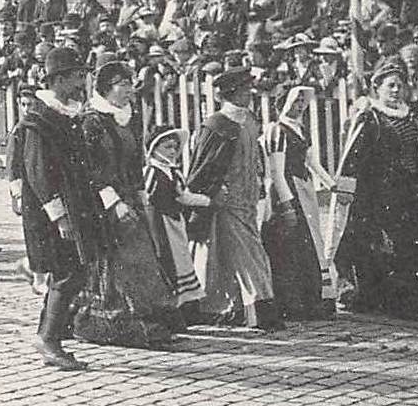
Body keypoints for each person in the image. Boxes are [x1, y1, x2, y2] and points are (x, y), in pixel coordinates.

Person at [73, 59, 181, 347]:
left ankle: (146, 317)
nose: (130, 90)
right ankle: (111, 320)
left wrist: (140, 194)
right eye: (124, 84)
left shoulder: (128, 117)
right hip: (104, 203)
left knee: (141, 255)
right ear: (107, 88)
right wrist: (114, 202)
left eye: (131, 83)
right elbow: (90, 168)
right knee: (114, 260)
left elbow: (135, 163)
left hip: (130, 197)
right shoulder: (93, 120)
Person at [334, 58, 418, 319]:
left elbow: (415, 152)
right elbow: (353, 156)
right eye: (390, 85)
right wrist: (347, 187)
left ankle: (407, 300)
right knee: (380, 246)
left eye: (400, 86)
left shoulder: (408, 115)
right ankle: (379, 298)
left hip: (407, 194)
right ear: (377, 87)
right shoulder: (370, 117)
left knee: (410, 245)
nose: (395, 90)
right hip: (377, 195)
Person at [17, 47, 98, 370]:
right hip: (50, 211)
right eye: (77, 76)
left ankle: (53, 331)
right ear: (59, 80)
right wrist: (60, 214)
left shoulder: (67, 114)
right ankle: (48, 338)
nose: (82, 82)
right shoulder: (38, 120)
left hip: (74, 205)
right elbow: (38, 172)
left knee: (70, 269)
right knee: (67, 271)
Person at [185, 65, 280, 331]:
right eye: (244, 90)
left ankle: (227, 308)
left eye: (249, 89)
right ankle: (260, 310)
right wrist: (213, 191)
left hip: (248, 199)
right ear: (230, 93)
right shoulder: (216, 124)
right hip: (227, 202)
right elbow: (202, 165)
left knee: (227, 254)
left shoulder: (249, 120)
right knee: (246, 253)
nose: (249, 94)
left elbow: (255, 157)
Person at [261, 85, 336, 319]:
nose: (300, 105)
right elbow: (276, 172)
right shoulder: (276, 130)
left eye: (303, 101)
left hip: (304, 189)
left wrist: (330, 183)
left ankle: (312, 300)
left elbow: (312, 161)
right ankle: (292, 304)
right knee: (288, 248)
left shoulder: (301, 130)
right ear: (284, 103)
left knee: (309, 244)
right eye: (296, 100)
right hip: (287, 192)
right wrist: (287, 204)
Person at [142, 128, 207, 323]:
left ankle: (186, 308)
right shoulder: (151, 172)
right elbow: (146, 199)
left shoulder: (173, 172)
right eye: (167, 147)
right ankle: (169, 312)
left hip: (174, 222)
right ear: (154, 149)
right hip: (159, 224)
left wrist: (207, 201)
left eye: (175, 147)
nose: (172, 151)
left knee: (182, 260)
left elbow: (183, 196)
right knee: (167, 260)